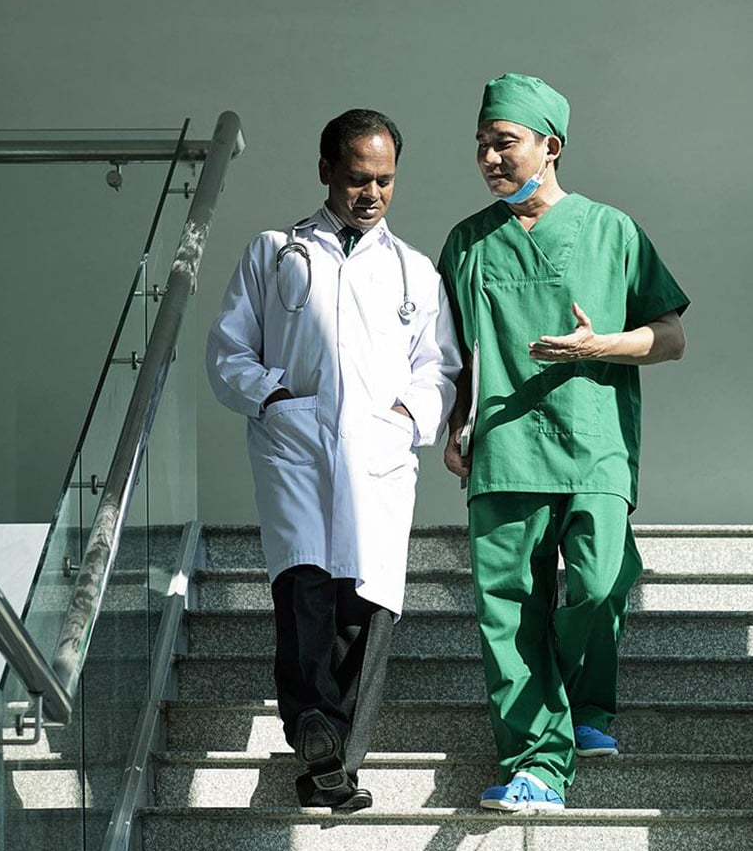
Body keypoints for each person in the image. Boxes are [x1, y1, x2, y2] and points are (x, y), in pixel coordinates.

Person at [438, 74, 689, 813]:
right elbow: (451, 353)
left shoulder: (613, 231)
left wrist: (596, 346)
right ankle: (536, 763)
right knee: (509, 607)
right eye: (482, 144)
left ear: (550, 146)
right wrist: (456, 422)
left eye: (504, 142)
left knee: (599, 578)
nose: (489, 156)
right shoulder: (466, 243)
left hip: (594, 440)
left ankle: (585, 703)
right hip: (504, 446)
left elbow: (671, 337)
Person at [207, 109, 460, 812]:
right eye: (357, 178)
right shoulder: (274, 252)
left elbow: (438, 368)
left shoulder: (415, 271)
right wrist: (274, 395)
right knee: (304, 590)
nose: (371, 194)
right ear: (325, 171)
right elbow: (228, 350)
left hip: (378, 458)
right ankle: (315, 732)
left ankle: (332, 756)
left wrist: (409, 418)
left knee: (366, 607)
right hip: (297, 447)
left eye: (384, 181)